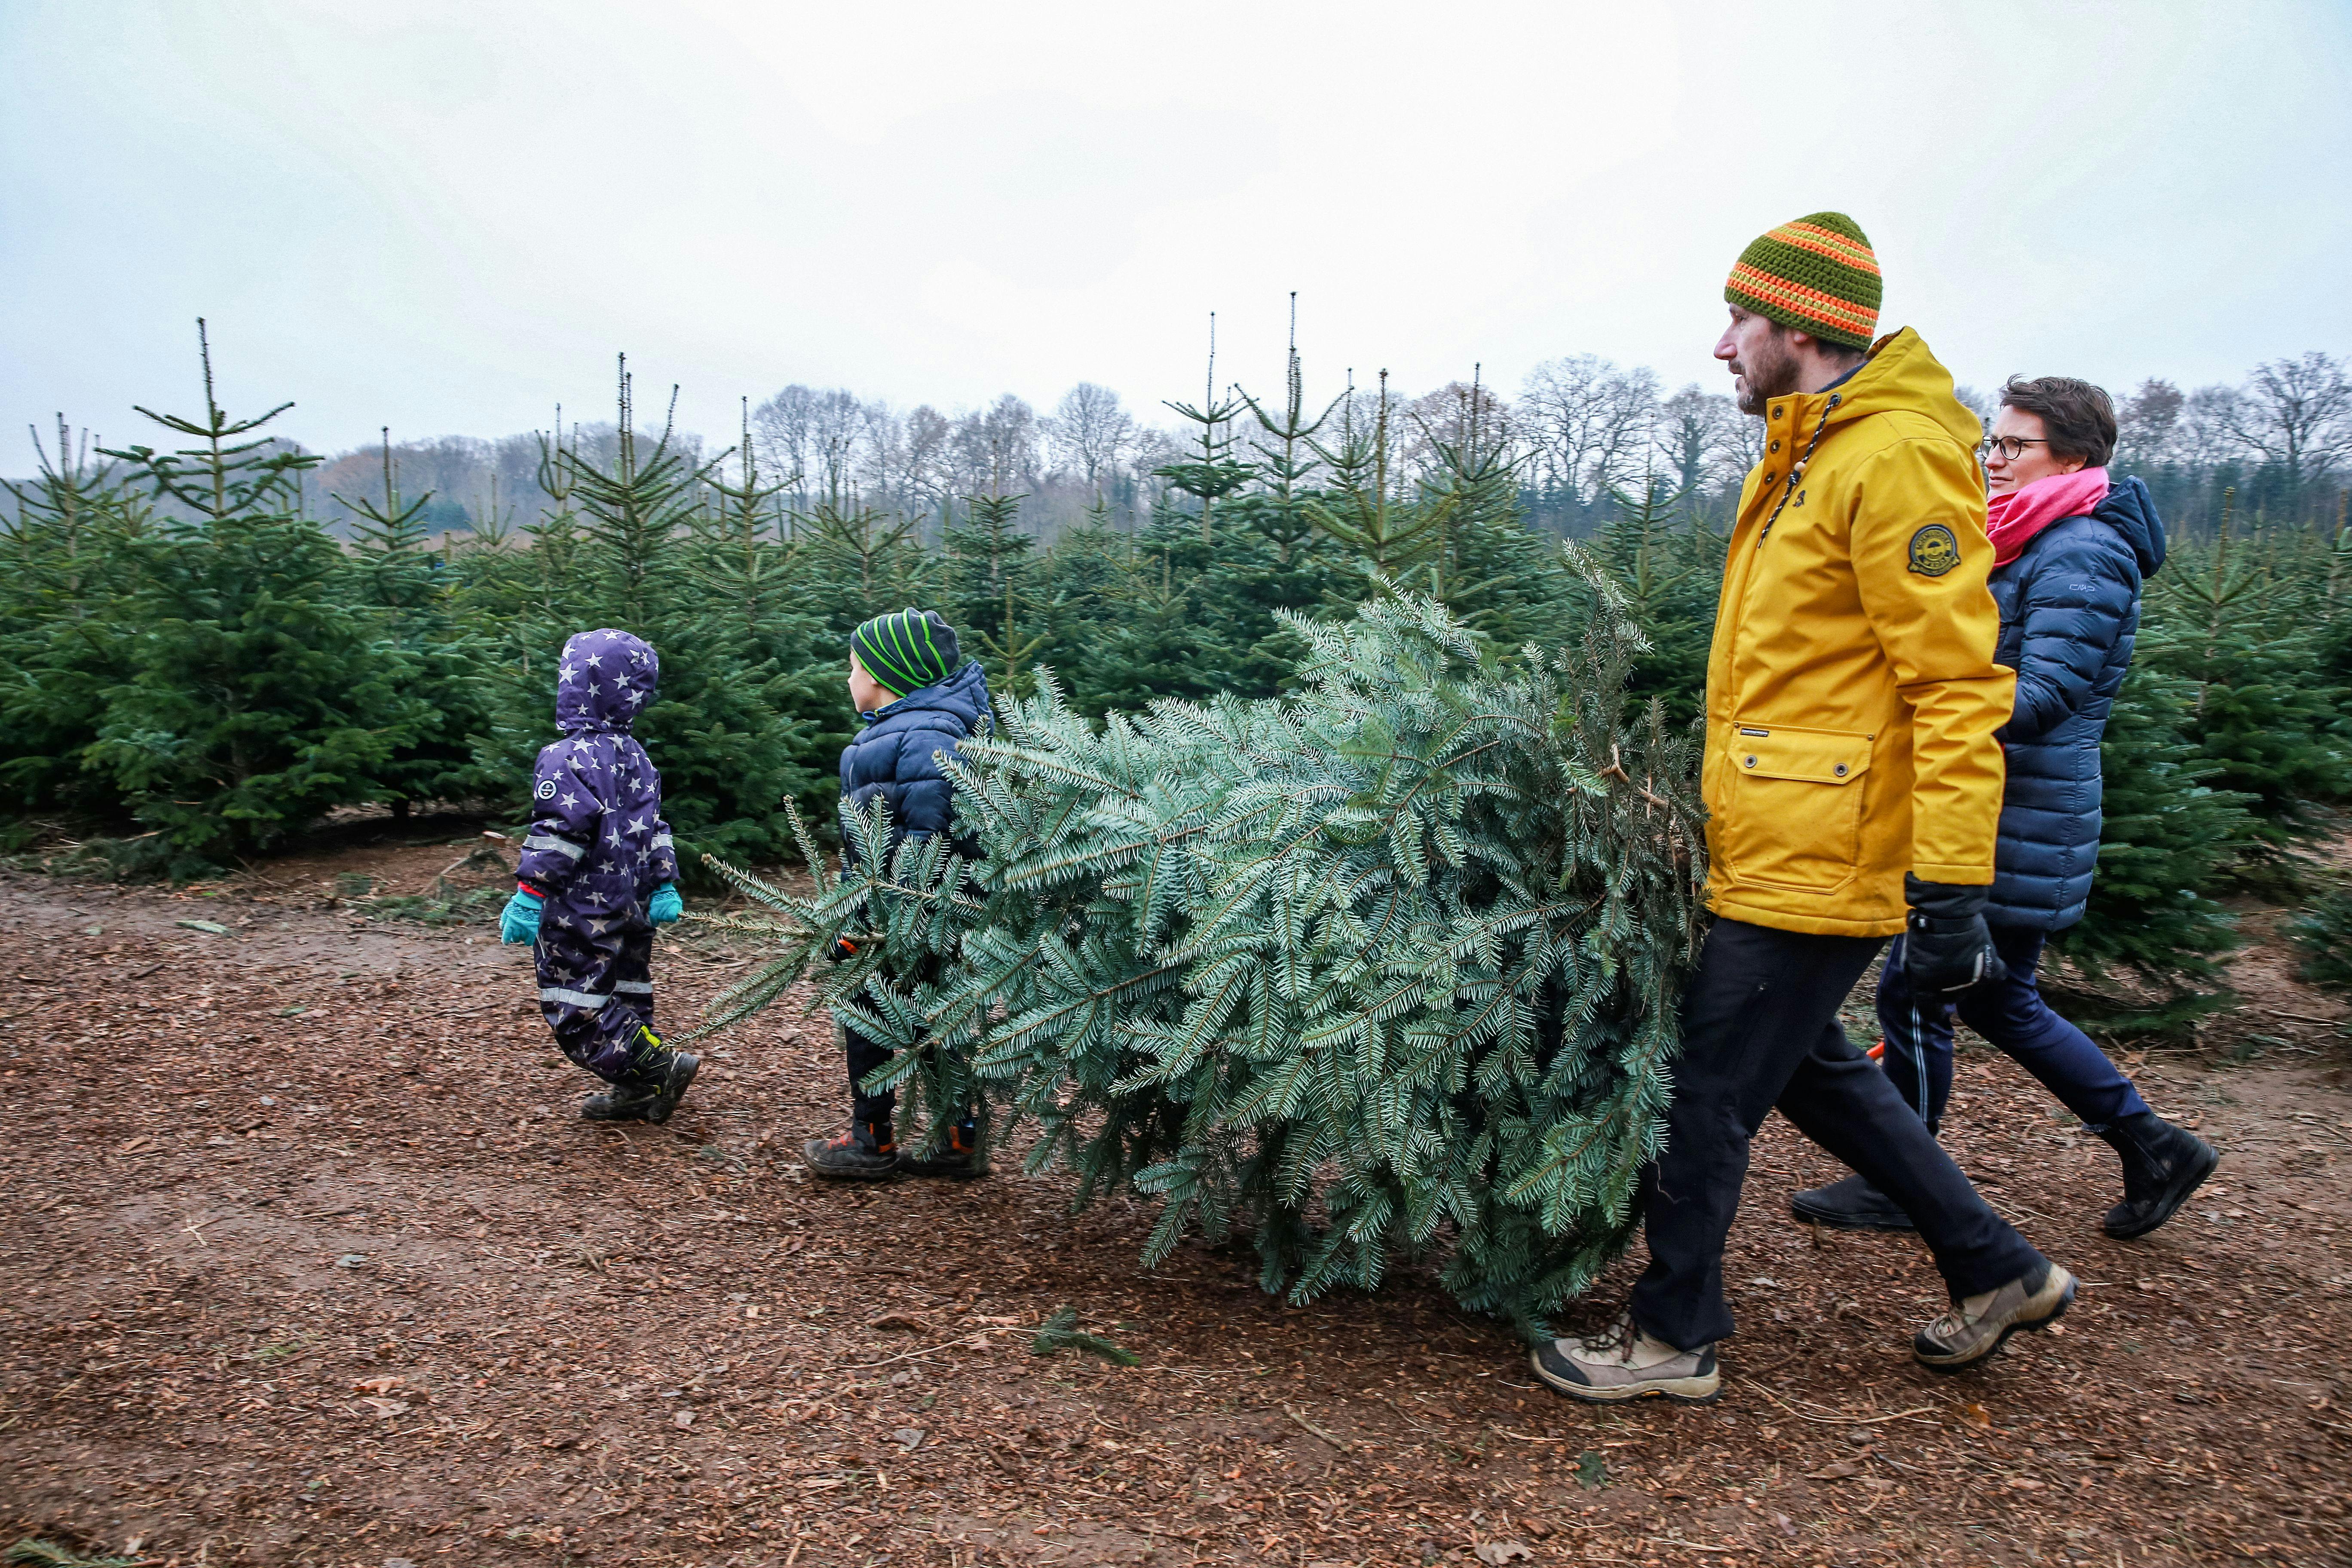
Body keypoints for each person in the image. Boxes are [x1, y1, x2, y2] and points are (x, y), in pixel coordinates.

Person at [1530, 213, 2078, 1405]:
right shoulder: (1810, 450)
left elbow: (1951, 683)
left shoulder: (1894, 460)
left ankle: (1673, 1338)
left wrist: (1949, 883)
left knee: (1710, 1088)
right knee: (1810, 1066)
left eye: (1741, 321)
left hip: (1826, 854)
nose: (1723, 345)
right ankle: (1997, 1270)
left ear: (1802, 331)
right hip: (1782, 833)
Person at [1792, 377, 2217, 1240]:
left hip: (2017, 808)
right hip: (2004, 801)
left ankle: (1900, 1179)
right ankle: (2152, 1143)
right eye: (1992, 442)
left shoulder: (2081, 552)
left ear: (2074, 456)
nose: (1992, 459)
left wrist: (1927, 690)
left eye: (2014, 445)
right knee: (1988, 997)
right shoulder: (2034, 540)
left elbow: (2047, 693)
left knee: (1925, 990)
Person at [803, 607, 992, 1181]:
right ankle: (958, 1139)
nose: (848, 679)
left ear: (886, 678)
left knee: (869, 1013)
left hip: (905, 919)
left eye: (854, 667)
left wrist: (861, 921)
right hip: (915, 913)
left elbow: (924, 841)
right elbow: (862, 846)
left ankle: (873, 1140)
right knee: (939, 1020)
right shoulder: (911, 734)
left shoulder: (919, 741)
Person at [499, 628, 698, 1123]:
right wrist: (664, 882)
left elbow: (559, 834)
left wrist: (528, 895)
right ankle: (634, 1091)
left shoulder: (565, 757)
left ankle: (658, 1066)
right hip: (629, 906)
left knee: (577, 1004)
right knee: (627, 990)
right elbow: (655, 827)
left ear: (574, 685)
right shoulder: (638, 756)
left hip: (581, 910)